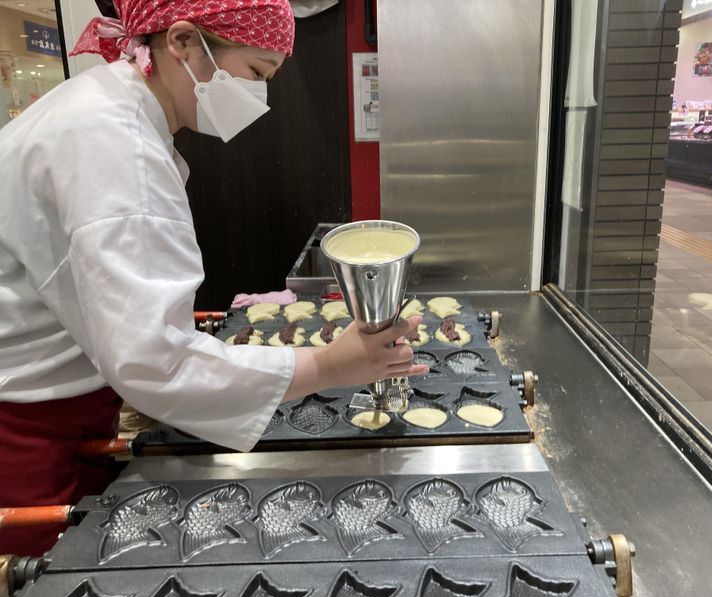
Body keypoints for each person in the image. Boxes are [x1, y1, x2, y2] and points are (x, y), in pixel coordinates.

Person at [0, 0, 426, 556]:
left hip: (67, 400)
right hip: (23, 426)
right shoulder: (114, 146)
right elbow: (158, 361)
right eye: (255, 72)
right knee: (47, 572)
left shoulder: (110, 110)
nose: (259, 95)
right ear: (182, 41)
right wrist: (328, 365)